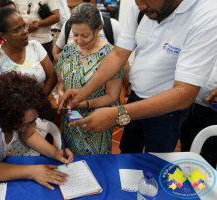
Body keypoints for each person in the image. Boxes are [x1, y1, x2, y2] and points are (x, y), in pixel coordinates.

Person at [58, 0, 217, 153]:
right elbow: (119, 55)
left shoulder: (206, 15)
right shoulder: (142, 8)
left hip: (167, 111)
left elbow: (184, 93)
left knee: (156, 159)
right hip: (134, 98)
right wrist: (84, 92)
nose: (139, 5)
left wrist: (116, 113)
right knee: (128, 150)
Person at [57, 3, 124, 155]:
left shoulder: (111, 55)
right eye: (75, 34)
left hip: (96, 122)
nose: (79, 40)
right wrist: (61, 93)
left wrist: (85, 103)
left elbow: (112, 96)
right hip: (70, 121)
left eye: (85, 35)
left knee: (96, 167)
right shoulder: (68, 50)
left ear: (98, 29)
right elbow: (61, 81)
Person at [0, 8, 57, 96]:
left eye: (24, 26)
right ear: (3, 35)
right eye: (17, 30)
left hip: (41, 103)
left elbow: (52, 77)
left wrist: (39, 100)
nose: (25, 31)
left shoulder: (35, 46)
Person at [52, 0, 122, 63]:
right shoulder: (67, 25)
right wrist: (59, 58)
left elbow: (122, 59)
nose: (72, 11)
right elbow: (57, 48)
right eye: (70, 8)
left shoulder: (113, 26)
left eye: (85, 35)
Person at [180, 61, 217, 168]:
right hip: (190, 104)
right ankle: (184, 178)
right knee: (186, 149)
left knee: (211, 153)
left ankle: (206, 182)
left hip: (214, 111)